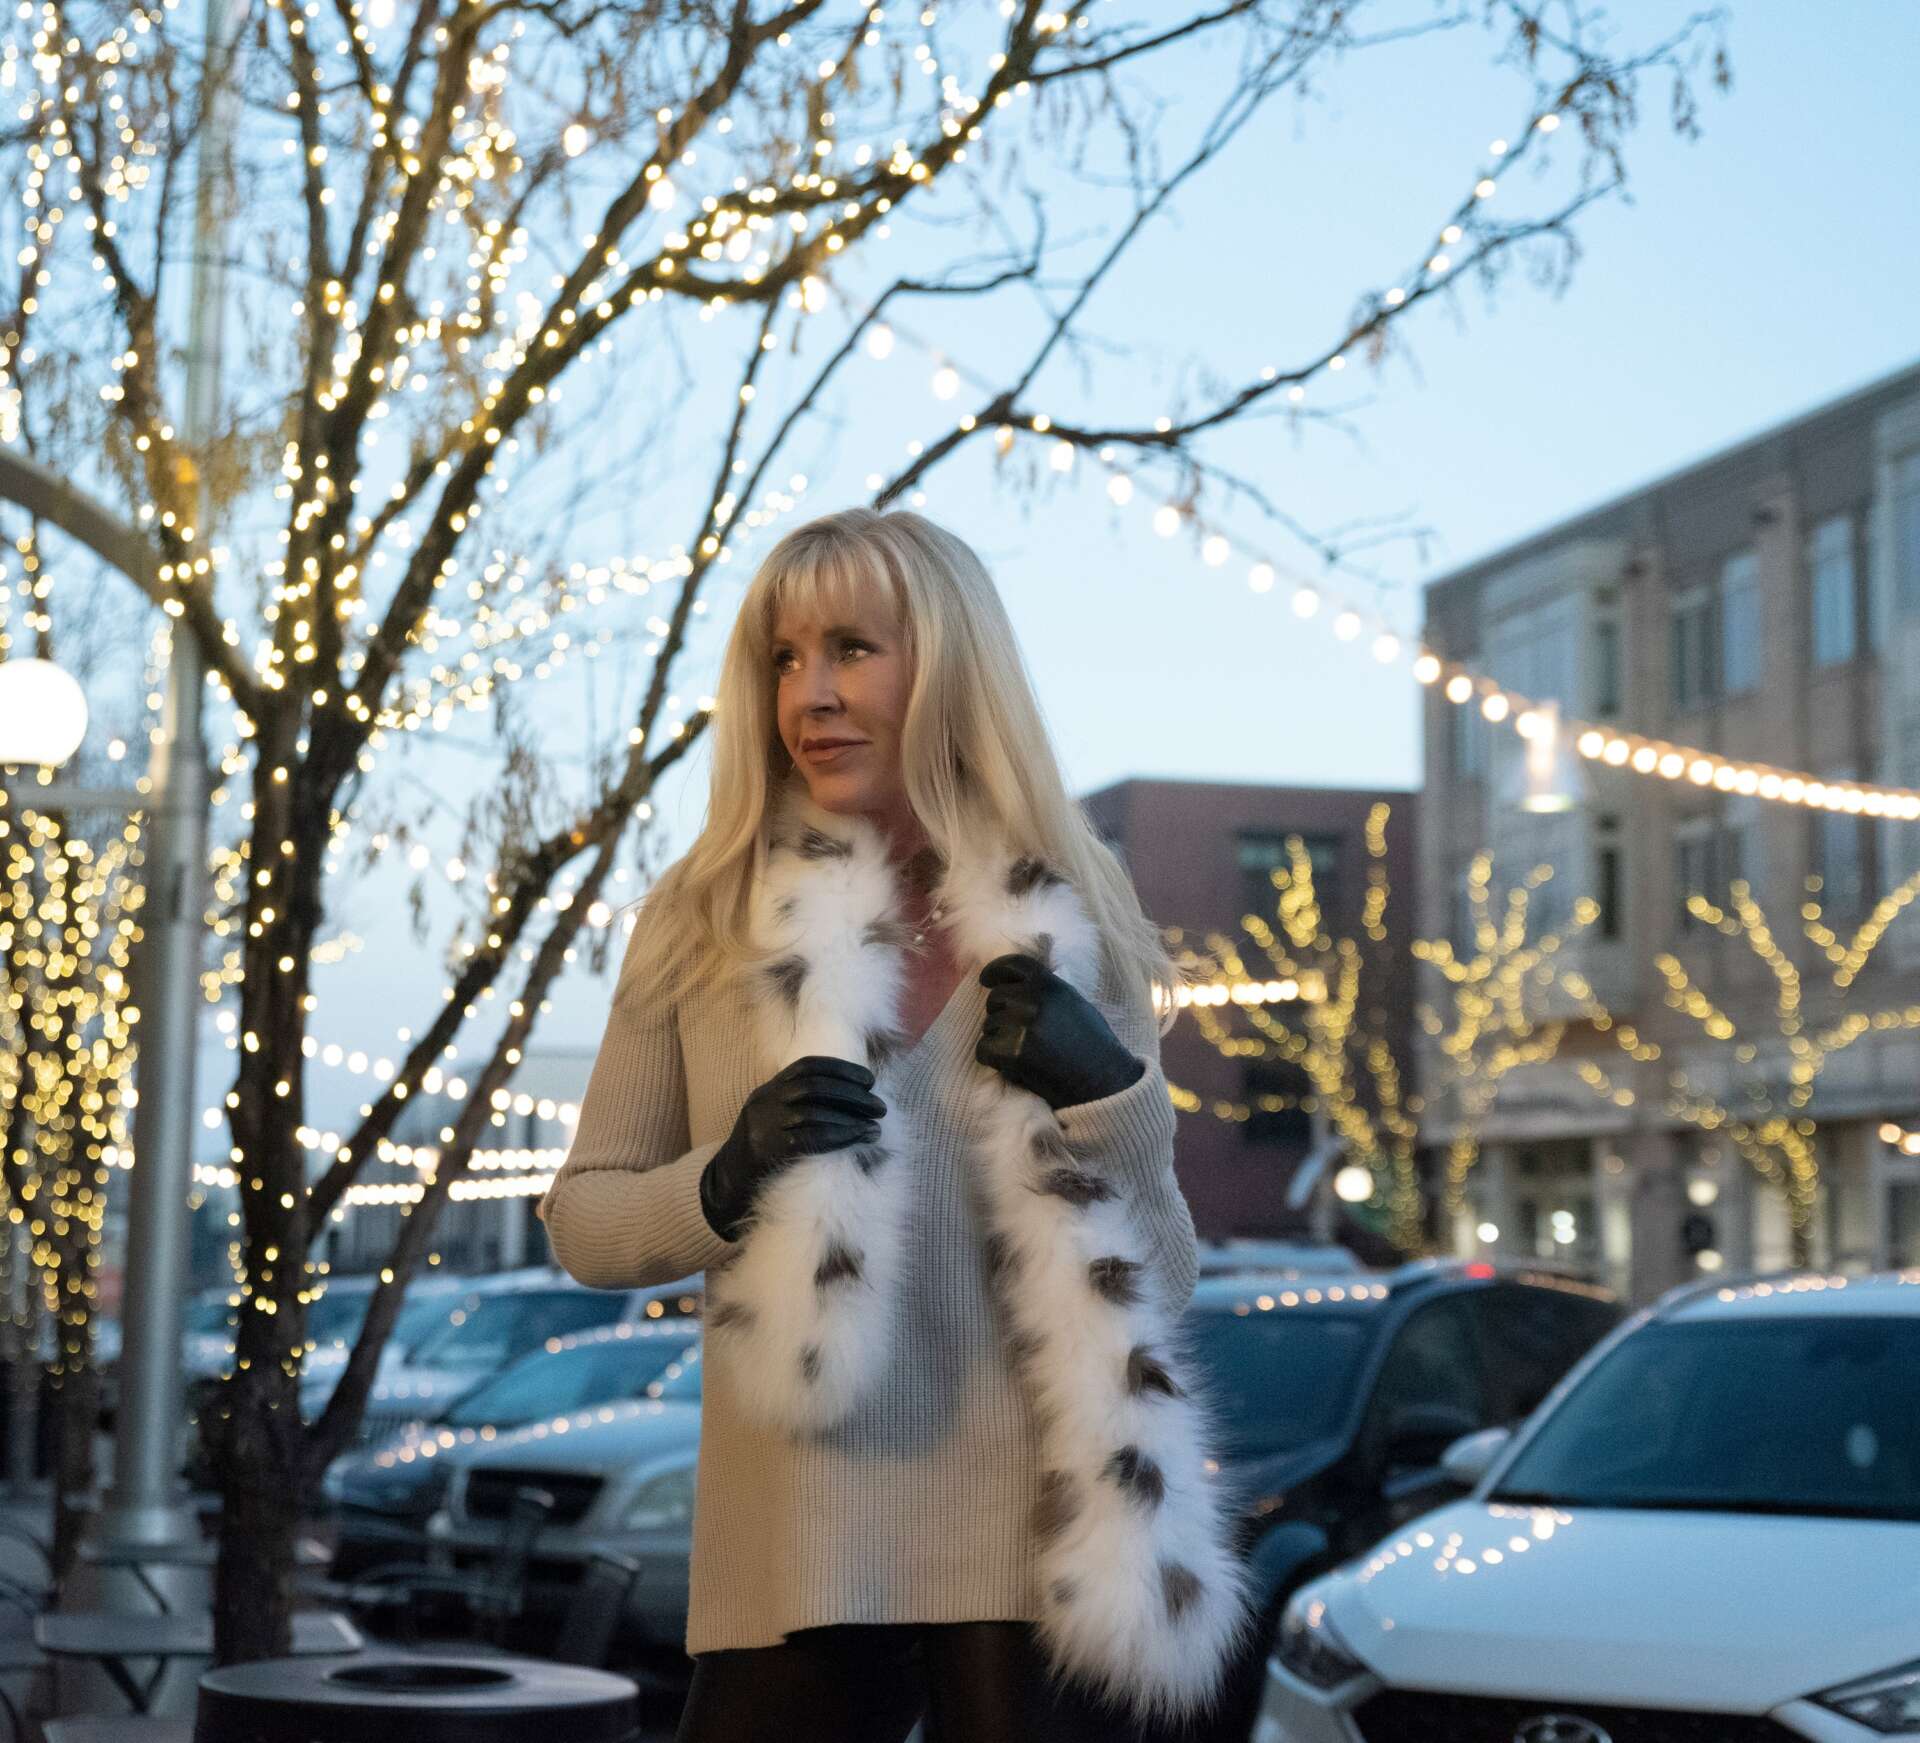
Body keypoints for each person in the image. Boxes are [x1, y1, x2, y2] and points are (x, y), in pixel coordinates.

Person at [537, 508, 1251, 1742]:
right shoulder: (703, 915)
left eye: (852, 650)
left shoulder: (1072, 916)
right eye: (783, 658)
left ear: (953, 668)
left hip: (1040, 1544)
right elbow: (585, 1222)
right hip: (804, 1541)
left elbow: (1166, 1276)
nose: (809, 695)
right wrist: (731, 1174)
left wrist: (1109, 1096)